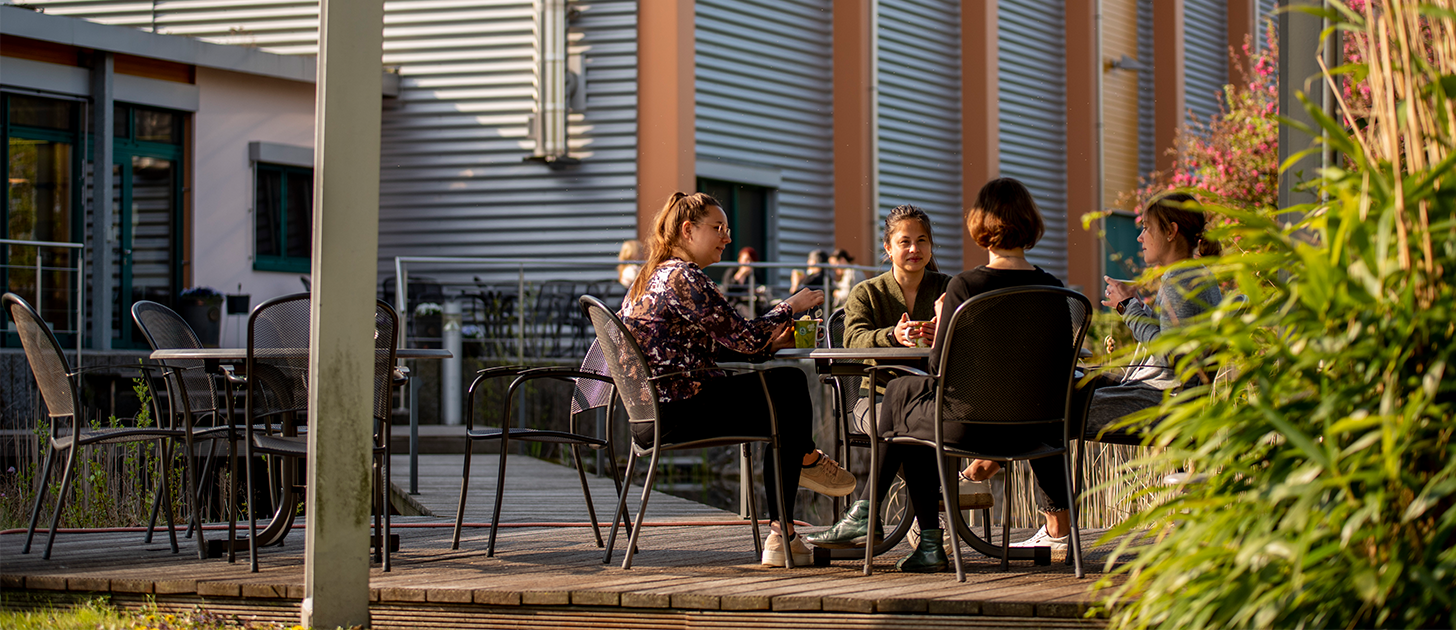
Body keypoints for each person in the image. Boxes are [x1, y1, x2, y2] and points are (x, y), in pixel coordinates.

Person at [807, 178, 1071, 573]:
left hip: (966, 424)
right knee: (904, 396)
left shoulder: (964, 287)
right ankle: (919, 534)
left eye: (922, 241)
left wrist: (946, 324)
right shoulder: (1055, 289)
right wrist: (896, 336)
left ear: (978, 225)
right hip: (1036, 429)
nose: (914, 249)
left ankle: (880, 516)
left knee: (902, 395)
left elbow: (940, 370)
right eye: (905, 242)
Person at [621, 192, 857, 567]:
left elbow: (713, 347)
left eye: (727, 229)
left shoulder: (652, 276)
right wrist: (790, 306)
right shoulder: (683, 277)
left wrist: (767, 347)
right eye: (718, 228)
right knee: (789, 387)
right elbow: (743, 336)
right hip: (680, 411)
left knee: (782, 402)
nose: (727, 238)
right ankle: (802, 471)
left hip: (650, 415)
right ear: (687, 230)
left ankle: (789, 517)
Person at [721, 246, 761, 318]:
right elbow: (727, 289)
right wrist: (741, 275)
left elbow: (759, 288)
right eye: (746, 260)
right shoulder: (732, 271)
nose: (748, 263)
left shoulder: (754, 275)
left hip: (753, 304)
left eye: (751, 261)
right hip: (735, 304)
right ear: (740, 260)